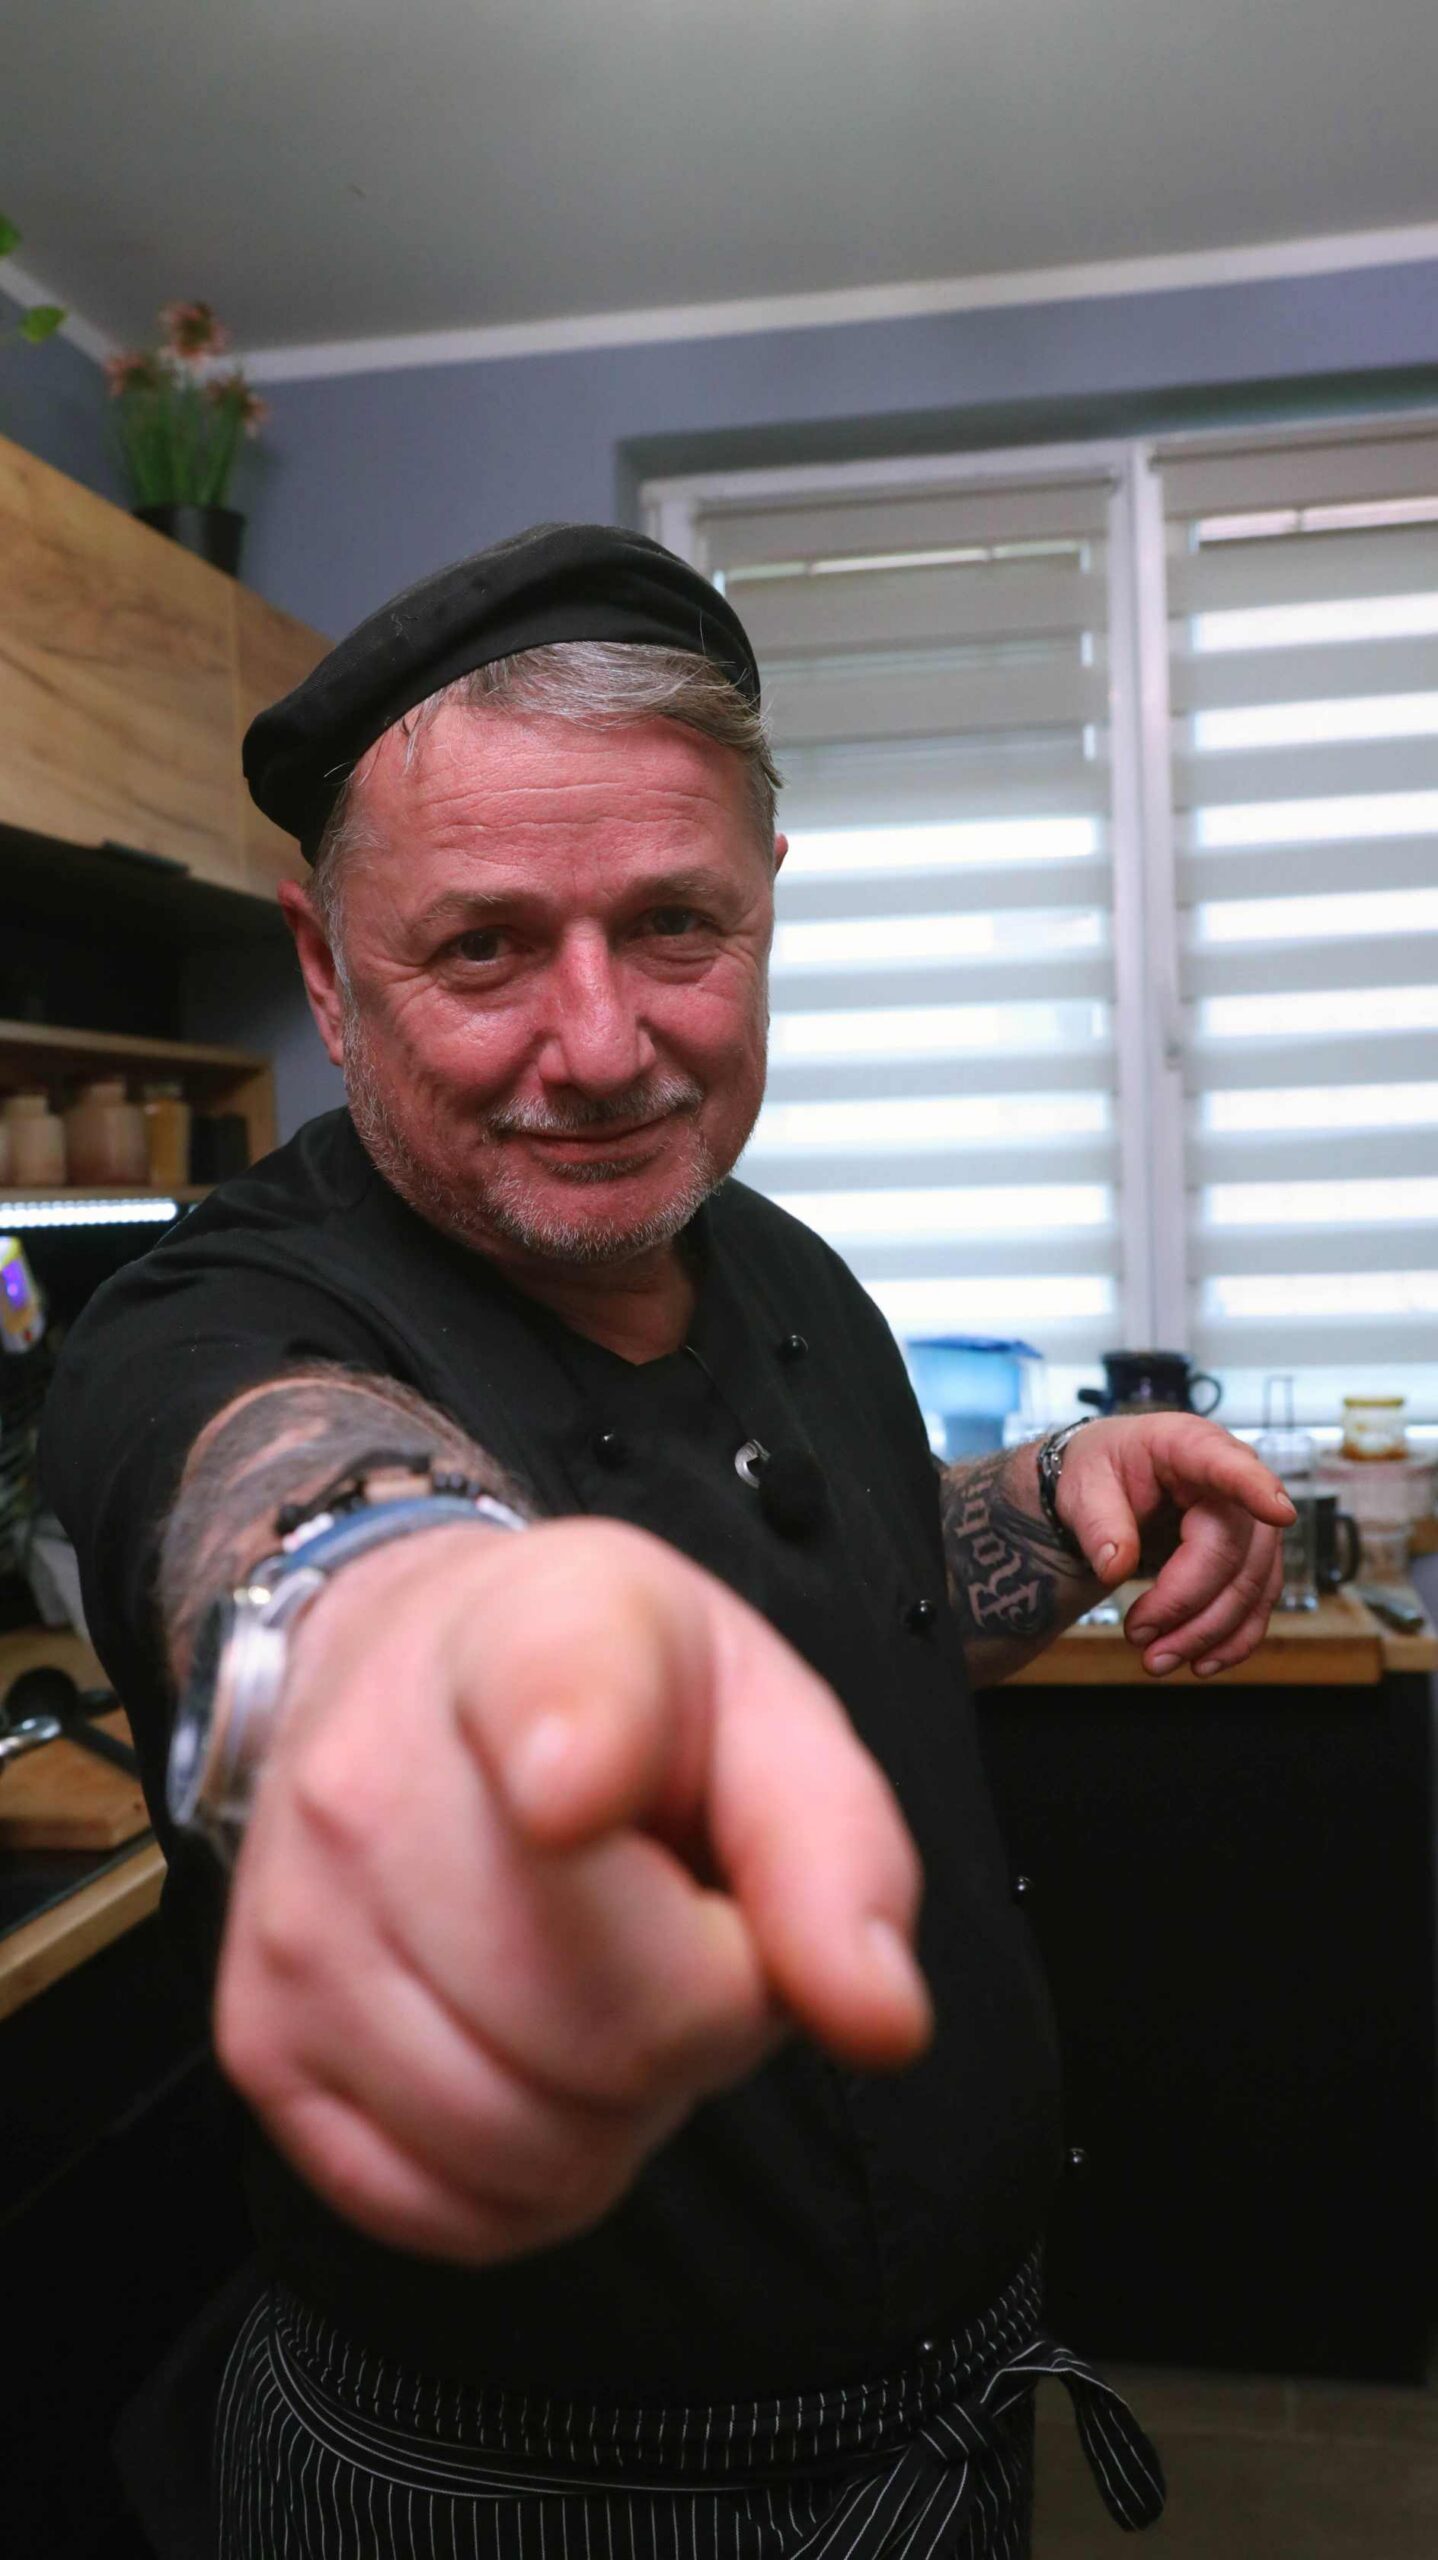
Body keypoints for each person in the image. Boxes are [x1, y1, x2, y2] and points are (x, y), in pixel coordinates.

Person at [42, 523, 1292, 2560]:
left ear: (764, 903)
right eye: (482, 948)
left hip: (951, 2429)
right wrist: (406, 1653)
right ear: (324, 973)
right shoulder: (217, 1314)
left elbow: (848, 1582)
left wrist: (1066, 1491)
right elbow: (295, 1530)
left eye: (674, 926)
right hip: (504, 2495)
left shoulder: (779, 1262)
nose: (606, 1040)